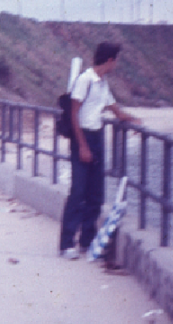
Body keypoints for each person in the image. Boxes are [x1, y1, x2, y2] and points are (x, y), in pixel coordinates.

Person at [59, 42, 140, 260]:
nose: (117, 64)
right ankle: (66, 244)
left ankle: (87, 241)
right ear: (110, 60)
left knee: (96, 194)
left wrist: (133, 120)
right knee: (78, 191)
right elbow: (74, 114)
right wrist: (83, 145)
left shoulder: (103, 84)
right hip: (82, 138)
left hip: (97, 138)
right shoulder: (85, 80)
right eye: (116, 60)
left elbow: (116, 111)